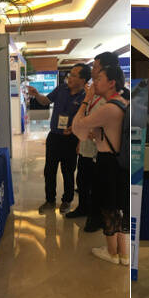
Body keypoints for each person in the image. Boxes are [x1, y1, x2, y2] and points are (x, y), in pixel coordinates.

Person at [72, 61, 129, 265]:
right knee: (119, 208)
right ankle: (123, 253)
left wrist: (86, 100)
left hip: (107, 162)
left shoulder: (109, 107)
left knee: (108, 207)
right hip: (119, 162)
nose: (94, 83)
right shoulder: (123, 102)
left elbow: (77, 127)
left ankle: (112, 253)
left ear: (111, 83)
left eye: (98, 79)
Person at [28, 63, 90, 215]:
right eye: (70, 74)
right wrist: (37, 94)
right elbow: (46, 101)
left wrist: (79, 140)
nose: (69, 78)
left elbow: (87, 121)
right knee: (49, 170)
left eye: (74, 75)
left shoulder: (86, 97)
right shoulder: (61, 89)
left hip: (71, 139)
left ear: (83, 80)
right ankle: (50, 200)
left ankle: (67, 201)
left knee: (68, 172)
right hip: (54, 136)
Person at [65, 53, 108, 231]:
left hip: (99, 150)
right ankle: (83, 208)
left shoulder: (108, 96)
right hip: (86, 147)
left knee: (95, 185)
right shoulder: (92, 93)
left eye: (96, 66)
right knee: (82, 180)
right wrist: (80, 138)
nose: (93, 70)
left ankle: (96, 217)